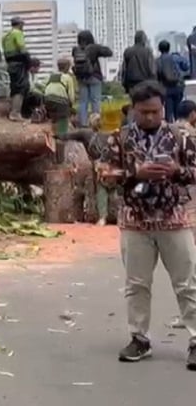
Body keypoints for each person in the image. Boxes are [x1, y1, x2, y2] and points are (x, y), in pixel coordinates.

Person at [99, 81, 196, 368]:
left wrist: (176, 170)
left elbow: (194, 172)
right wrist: (135, 172)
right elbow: (104, 174)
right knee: (137, 284)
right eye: (144, 112)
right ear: (133, 111)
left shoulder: (182, 137)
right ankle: (139, 338)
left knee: (188, 283)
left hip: (174, 219)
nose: (150, 117)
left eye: (155, 111)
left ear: (163, 108)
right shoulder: (119, 138)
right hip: (134, 221)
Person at [72, 30, 113, 127]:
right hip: (94, 76)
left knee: (83, 102)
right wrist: (99, 46)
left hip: (81, 78)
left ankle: (83, 124)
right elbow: (109, 52)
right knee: (95, 101)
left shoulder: (75, 49)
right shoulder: (94, 47)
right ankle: (95, 123)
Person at [2, 16, 31, 121]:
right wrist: (29, 62)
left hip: (10, 65)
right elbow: (22, 49)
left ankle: (13, 111)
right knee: (21, 87)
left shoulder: (5, 36)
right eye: (22, 24)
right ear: (19, 24)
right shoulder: (17, 33)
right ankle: (15, 113)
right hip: (19, 64)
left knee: (14, 87)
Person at [43, 58, 77, 136]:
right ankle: (62, 136)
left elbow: (42, 86)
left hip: (47, 100)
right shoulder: (68, 78)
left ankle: (52, 134)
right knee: (63, 119)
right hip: (60, 102)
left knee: (53, 118)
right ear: (67, 67)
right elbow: (71, 96)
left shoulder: (51, 76)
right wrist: (71, 107)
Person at [156, 40, 187, 122]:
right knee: (178, 110)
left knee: (168, 112)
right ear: (169, 48)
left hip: (166, 89)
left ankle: (170, 129)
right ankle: (180, 128)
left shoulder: (157, 61)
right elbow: (186, 67)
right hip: (178, 87)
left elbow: (156, 76)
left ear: (159, 49)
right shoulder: (176, 57)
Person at [120, 31, 156, 96]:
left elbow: (124, 69)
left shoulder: (128, 51)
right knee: (144, 103)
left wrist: (124, 84)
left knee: (134, 103)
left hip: (131, 84)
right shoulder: (147, 51)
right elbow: (152, 70)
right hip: (145, 83)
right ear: (143, 40)